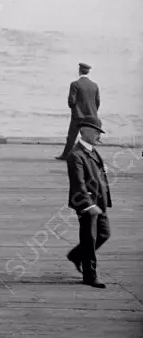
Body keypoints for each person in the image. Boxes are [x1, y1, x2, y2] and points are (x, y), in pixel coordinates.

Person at [66, 116, 111, 288]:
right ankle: (90, 276)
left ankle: (77, 256)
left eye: (100, 132)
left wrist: (101, 169)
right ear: (84, 131)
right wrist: (88, 205)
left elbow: (92, 171)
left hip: (100, 201)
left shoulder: (92, 150)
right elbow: (78, 183)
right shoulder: (75, 155)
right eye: (96, 132)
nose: (99, 135)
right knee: (89, 239)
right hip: (87, 204)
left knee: (104, 234)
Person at [57, 62, 101, 161]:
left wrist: (73, 107)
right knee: (88, 137)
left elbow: (71, 101)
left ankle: (66, 155)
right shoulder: (94, 85)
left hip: (78, 115)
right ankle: (89, 156)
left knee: (71, 137)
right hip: (91, 116)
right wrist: (93, 112)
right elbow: (97, 101)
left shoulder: (75, 84)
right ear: (88, 72)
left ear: (79, 71)